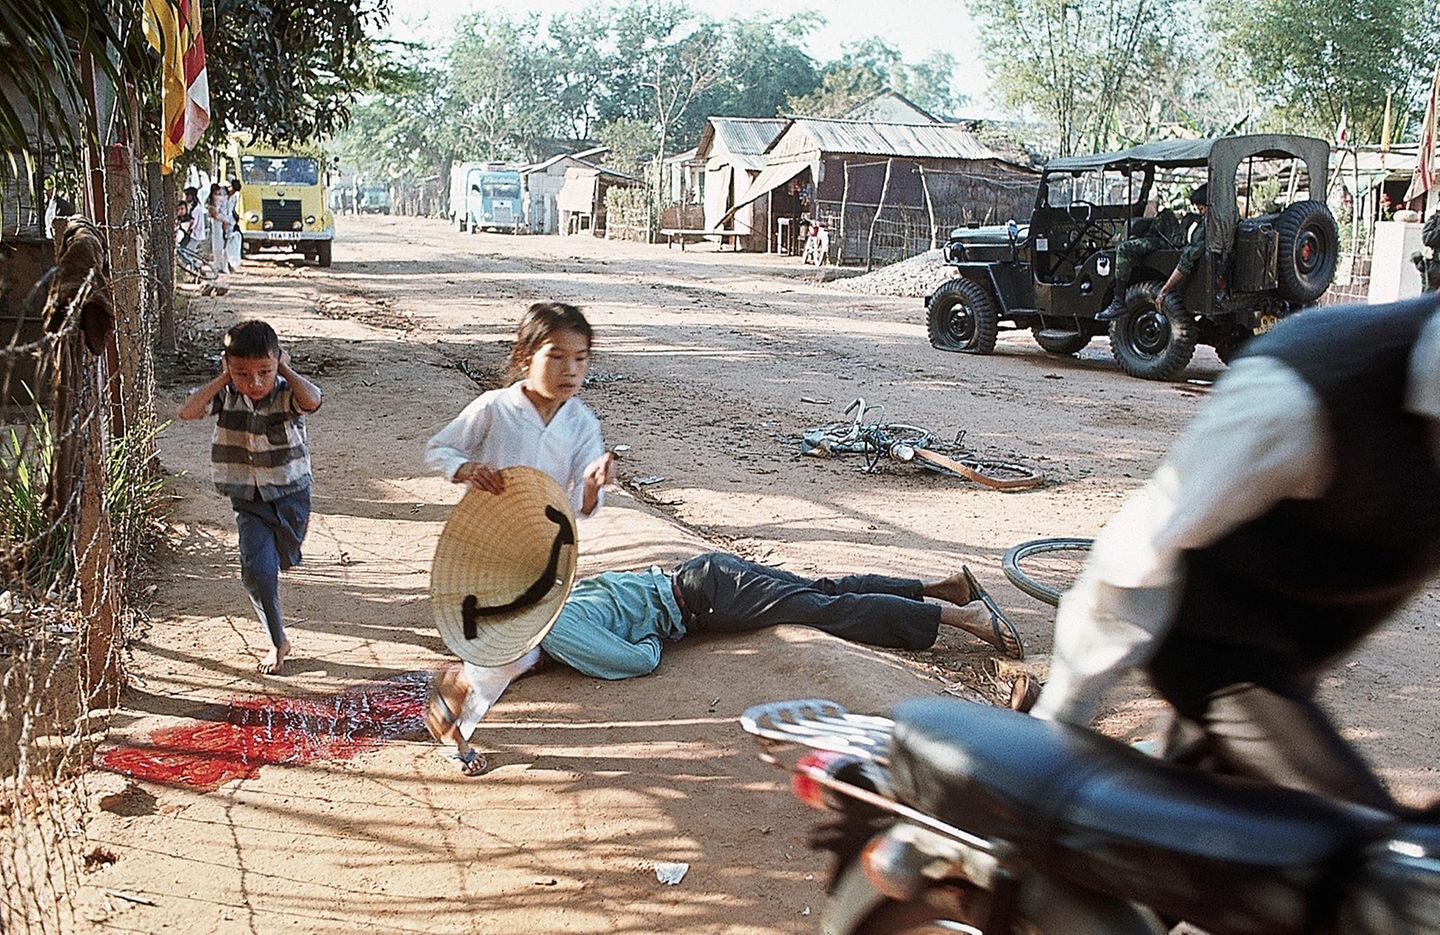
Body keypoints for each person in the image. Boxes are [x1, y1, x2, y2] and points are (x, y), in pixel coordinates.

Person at [1031, 293, 1440, 812]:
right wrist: (1048, 739)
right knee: (1368, 853)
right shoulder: (1296, 400)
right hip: (1213, 642)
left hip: (1301, 649)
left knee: (1208, 834)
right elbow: (1135, 556)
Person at [430, 552, 1026, 774]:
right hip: (701, 575)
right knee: (823, 591)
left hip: (705, 600)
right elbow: (471, 695)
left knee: (828, 612)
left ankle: (960, 620)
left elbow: (633, 662)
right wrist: (463, 745)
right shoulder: (544, 603)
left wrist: (651, 642)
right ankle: (940, 587)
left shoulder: (552, 628)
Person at [423, 301, 617, 774]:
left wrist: (592, 484)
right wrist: (465, 467)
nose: (570, 370)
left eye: (580, 358)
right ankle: (457, 729)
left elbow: (582, 508)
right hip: (488, 545)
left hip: (546, 554)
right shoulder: (495, 408)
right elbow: (438, 449)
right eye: (556, 356)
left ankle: (456, 697)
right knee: (509, 644)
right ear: (525, 355)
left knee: (521, 646)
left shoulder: (582, 423)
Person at [177, 320, 323, 674]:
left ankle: (279, 561)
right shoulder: (227, 396)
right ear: (228, 365)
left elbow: (313, 400)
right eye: (243, 373)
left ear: (277, 364)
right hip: (247, 497)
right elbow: (187, 411)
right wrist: (225, 379)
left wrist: (285, 369)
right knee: (258, 571)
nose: (254, 382)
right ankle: (277, 640)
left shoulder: (286, 391)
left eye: (264, 372)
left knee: (285, 557)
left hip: (290, 493)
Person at [1096, 184, 1208, 321]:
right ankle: (1144, 238)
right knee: (1165, 213)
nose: (1200, 212)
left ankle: (1118, 301)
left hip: (1170, 245)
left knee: (1124, 249)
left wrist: (1165, 290)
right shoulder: (1211, 221)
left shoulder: (1205, 229)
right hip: (1172, 236)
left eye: (1201, 208)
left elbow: (1185, 262)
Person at [206, 182, 229, 274]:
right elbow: (215, 215)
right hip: (216, 225)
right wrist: (225, 220)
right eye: (216, 194)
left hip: (223, 225)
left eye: (220, 194)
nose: (219, 197)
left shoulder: (223, 203)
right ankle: (216, 265)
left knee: (225, 246)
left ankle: (223, 265)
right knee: (217, 246)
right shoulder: (210, 205)